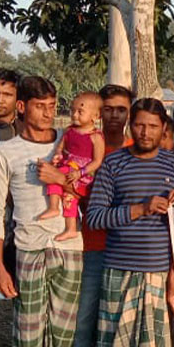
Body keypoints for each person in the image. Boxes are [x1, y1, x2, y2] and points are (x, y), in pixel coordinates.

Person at [0, 76, 92, 347]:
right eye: (39, 106)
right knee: (28, 329)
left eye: (52, 106)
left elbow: (89, 189)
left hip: (69, 247)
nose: (48, 113)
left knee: (64, 329)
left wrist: (60, 180)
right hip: (29, 247)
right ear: (22, 107)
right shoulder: (6, 153)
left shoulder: (71, 141)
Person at [85, 99, 174, 347]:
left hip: (157, 267)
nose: (145, 132)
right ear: (130, 126)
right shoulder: (113, 163)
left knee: (152, 342)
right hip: (119, 265)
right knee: (118, 341)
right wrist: (139, 209)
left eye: (153, 126)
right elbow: (95, 217)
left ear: (164, 129)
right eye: (139, 125)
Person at [71, 84, 133, 347]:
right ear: (99, 113)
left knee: (121, 325)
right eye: (108, 109)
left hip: (128, 249)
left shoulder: (137, 149)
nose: (114, 115)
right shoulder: (84, 145)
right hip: (92, 246)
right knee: (83, 322)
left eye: (121, 109)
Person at [39, 91, 104, 242]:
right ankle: (68, 225)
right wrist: (58, 155)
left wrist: (80, 172)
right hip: (68, 167)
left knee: (57, 181)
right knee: (67, 196)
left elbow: (97, 161)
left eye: (80, 112)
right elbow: (60, 147)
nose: (74, 115)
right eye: (72, 110)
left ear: (95, 116)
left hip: (82, 175)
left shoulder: (96, 137)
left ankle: (57, 212)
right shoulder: (69, 131)